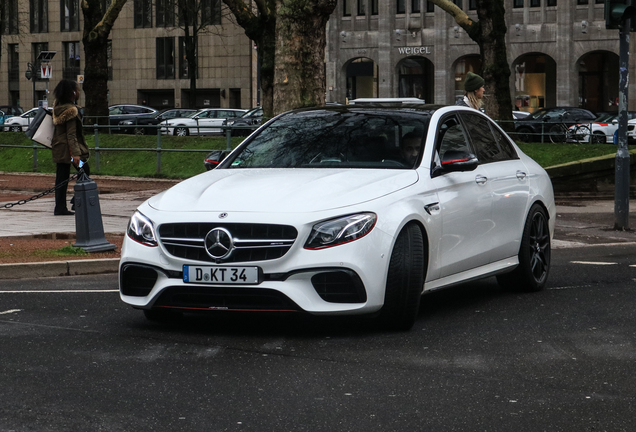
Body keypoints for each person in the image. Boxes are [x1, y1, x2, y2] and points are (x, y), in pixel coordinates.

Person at [51, 79, 90, 216]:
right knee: (84, 168)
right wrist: (76, 154)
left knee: (61, 177)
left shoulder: (58, 108)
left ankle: (60, 206)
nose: (78, 92)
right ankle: (75, 200)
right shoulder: (71, 111)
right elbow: (71, 135)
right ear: (72, 93)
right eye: (77, 90)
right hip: (69, 151)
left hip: (59, 148)